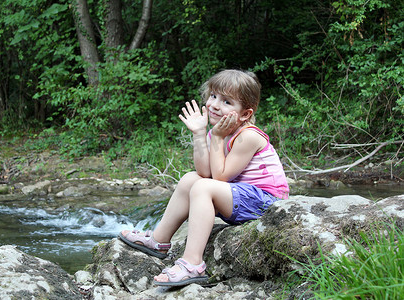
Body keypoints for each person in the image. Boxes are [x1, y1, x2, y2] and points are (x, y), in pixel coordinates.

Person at [118, 69, 289, 287]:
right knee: (191, 179)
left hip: (266, 203)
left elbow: (219, 177)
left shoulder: (249, 136)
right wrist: (200, 133)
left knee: (203, 188)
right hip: (239, 197)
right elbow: (203, 173)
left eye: (227, 102)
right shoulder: (217, 132)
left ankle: (192, 264)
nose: (215, 105)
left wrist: (216, 137)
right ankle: (158, 240)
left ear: (245, 114)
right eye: (214, 96)